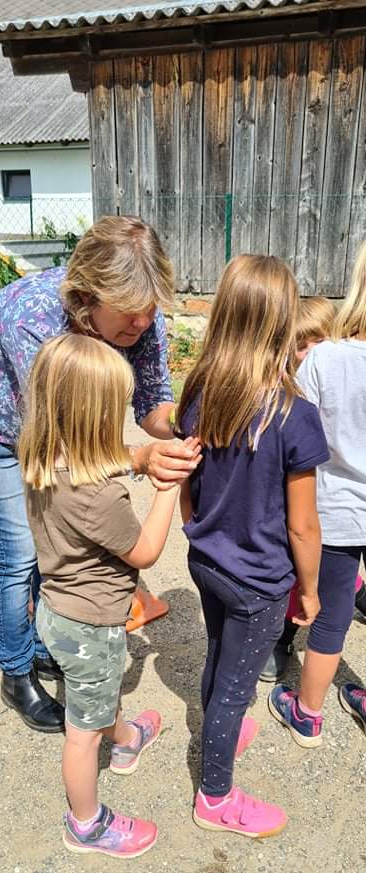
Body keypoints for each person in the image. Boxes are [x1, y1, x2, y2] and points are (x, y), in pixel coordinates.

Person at [0, 216, 200, 733]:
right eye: (129, 313)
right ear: (86, 297)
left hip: (53, 436)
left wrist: (193, 422)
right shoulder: (35, 321)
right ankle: (16, 672)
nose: (142, 324)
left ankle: (41, 645)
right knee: (18, 553)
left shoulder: (141, 316)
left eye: (150, 311)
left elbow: (151, 405)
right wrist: (140, 459)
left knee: (49, 545)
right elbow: (57, 445)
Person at [176, 254, 328, 838]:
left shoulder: (202, 389)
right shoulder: (296, 415)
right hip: (259, 581)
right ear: (283, 324)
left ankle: (221, 721)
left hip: (206, 560)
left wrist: (196, 529)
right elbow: (303, 527)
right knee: (237, 679)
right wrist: (309, 591)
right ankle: (216, 797)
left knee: (221, 652)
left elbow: (190, 481)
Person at [20, 333, 181, 858]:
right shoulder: (98, 493)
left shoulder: (46, 455)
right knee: (82, 731)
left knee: (95, 691)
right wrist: (167, 488)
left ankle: (128, 737)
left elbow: (103, 460)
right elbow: (146, 550)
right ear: (96, 415)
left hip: (58, 611)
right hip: (91, 624)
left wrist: (138, 459)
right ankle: (86, 824)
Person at [269, 241, 366, 747]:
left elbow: (292, 423)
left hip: (337, 509)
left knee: (330, 615)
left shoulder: (327, 359)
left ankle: (307, 713)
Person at [259, 295, 335, 682]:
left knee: (335, 563)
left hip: (340, 503)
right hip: (300, 504)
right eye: (301, 347)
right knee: (297, 566)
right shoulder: (291, 398)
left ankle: (350, 589)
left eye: (318, 343)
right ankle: (283, 635)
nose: (309, 354)